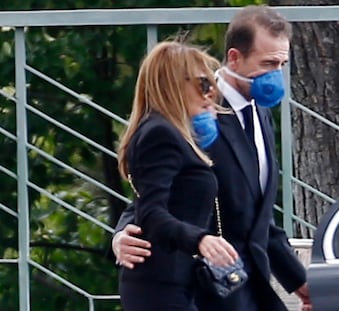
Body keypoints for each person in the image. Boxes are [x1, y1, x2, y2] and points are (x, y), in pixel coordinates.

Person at [113, 5, 313, 311]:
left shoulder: (260, 114)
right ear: (235, 57)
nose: (275, 75)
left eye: (282, 64)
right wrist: (121, 234)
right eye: (268, 63)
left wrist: (300, 283)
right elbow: (155, 192)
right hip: (204, 284)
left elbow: (260, 217)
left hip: (246, 279)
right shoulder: (193, 110)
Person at [116, 40, 239, 311]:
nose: (212, 93)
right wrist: (200, 239)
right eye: (203, 84)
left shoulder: (174, 133)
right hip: (160, 284)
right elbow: (151, 212)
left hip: (176, 280)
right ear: (175, 84)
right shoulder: (160, 133)